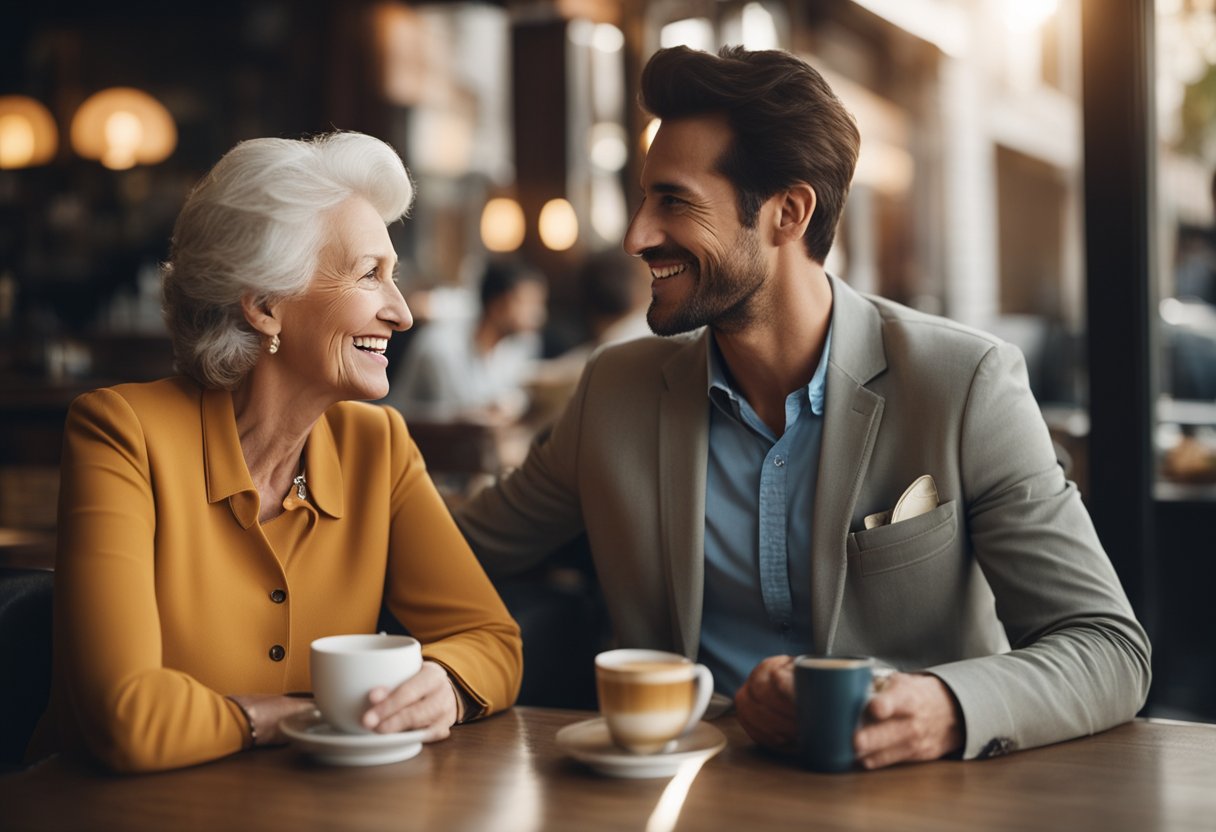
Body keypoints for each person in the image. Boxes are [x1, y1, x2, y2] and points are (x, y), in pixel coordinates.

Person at [455, 46, 1150, 768]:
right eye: (642, 199)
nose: (636, 235)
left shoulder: (964, 383)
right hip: (687, 792)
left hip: (913, 801)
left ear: (787, 213)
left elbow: (1107, 647)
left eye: (674, 200)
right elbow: (455, 550)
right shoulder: (615, 393)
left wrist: (944, 706)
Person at [27, 132, 522, 773]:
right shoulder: (120, 434)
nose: (401, 312)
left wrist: (446, 687)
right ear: (265, 305)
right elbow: (124, 716)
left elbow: (494, 642)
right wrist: (306, 716)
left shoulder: (379, 447)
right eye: (370, 275)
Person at [387, 259, 548, 423]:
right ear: (498, 305)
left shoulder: (523, 345)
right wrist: (480, 414)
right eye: (528, 304)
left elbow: (519, 393)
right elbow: (444, 423)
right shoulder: (440, 347)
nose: (538, 315)